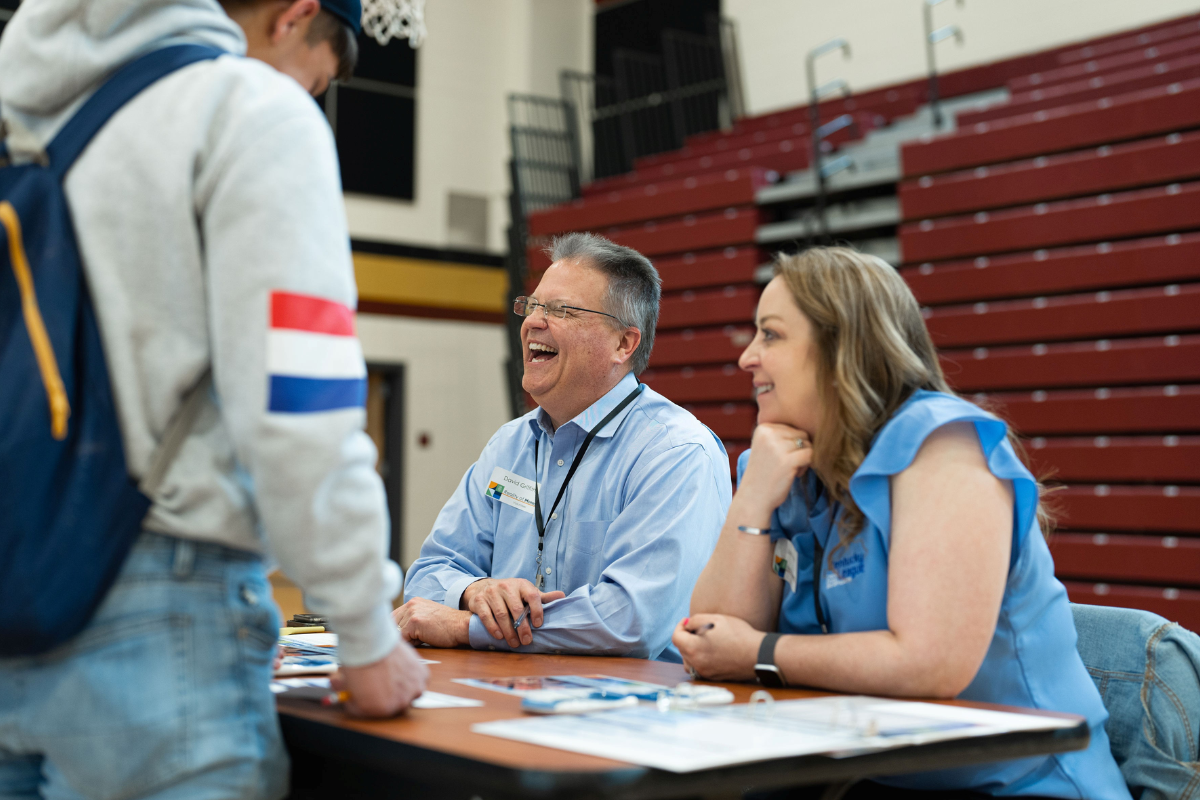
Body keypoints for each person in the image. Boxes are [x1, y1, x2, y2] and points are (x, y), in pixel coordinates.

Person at [0, 0, 426, 798]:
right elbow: (301, 408)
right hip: (158, 611)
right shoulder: (251, 109)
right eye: (319, 82)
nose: (309, 99)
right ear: (296, 15)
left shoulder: (19, 111)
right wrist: (365, 636)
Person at [674, 247, 1131, 799]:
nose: (747, 358)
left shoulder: (942, 446)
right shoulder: (779, 465)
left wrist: (759, 654)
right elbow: (712, 639)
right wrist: (751, 501)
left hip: (1020, 781)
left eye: (770, 335)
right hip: (873, 773)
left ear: (842, 344)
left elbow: (928, 665)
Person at [395, 233, 732, 661]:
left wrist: (471, 627)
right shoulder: (509, 445)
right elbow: (430, 571)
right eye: (533, 305)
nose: (534, 321)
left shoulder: (676, 453)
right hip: (506, 694)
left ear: (623, 344)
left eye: (561, 310)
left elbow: (633, 620)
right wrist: (475, 592)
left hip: (629, 711)